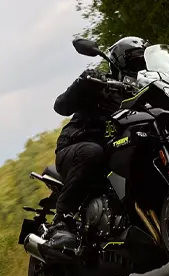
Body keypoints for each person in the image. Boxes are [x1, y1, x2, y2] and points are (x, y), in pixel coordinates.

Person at [42, 36, 150, 251]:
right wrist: (82, 83)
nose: (140, 68)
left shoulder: (142, 94)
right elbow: (60, 106)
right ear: (121, 62)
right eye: (136, 62)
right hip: (75, 147)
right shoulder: (100, 84)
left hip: (110, 149)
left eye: (143, 63)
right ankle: (61, 223)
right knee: (93, 152)